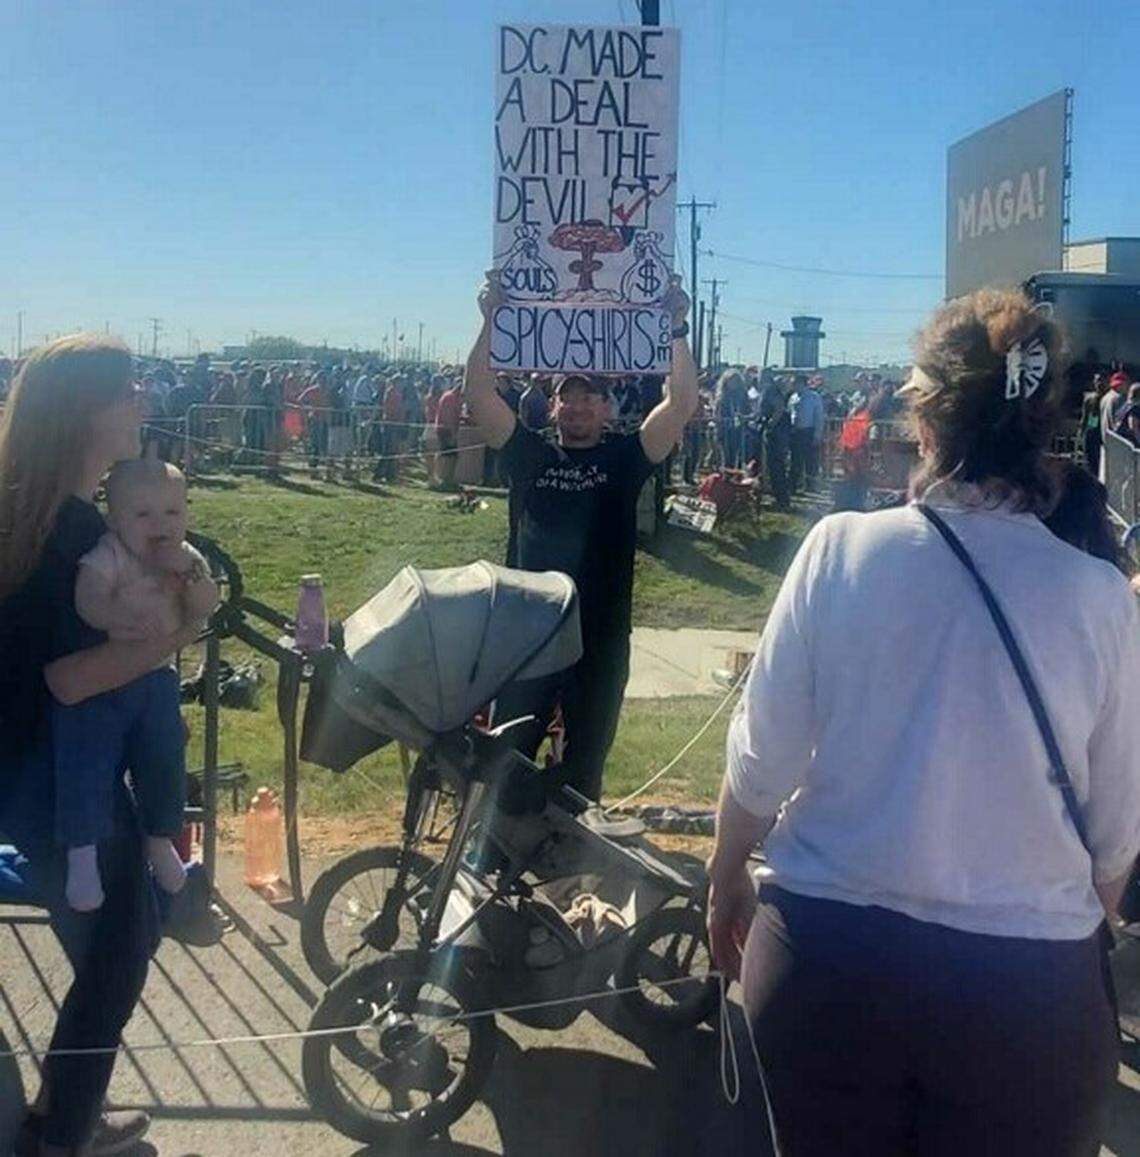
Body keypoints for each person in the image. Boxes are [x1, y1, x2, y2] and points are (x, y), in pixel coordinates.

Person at [706, 288, 1140, 1156]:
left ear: (926, 421)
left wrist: (725, 871)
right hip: (1024, 997)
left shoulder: (839, 550)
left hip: (829, 963)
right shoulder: (1100, 598)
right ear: (1046, 420)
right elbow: (1115, 841)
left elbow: (761, 766)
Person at [0, 336, 209, 1156]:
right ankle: (61, 1133)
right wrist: (185, 629)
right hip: (50, 770)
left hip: (30, 765)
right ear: (86, 409)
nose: (143, 400)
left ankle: (67, 1106)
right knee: (123, 943)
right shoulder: (69, 526)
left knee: (111, 933)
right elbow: (69, 680)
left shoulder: (29, 505)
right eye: (129, 388)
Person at [465, 273, 698, 800]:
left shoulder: (624, 458)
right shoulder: (529, 454)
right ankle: (500, 858)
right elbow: (477, 394)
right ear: (552, 407)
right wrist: (490, 321)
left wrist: (677, 327)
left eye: (589, 398)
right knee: (509, 762)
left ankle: (572, 862)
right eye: (567, 398)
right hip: (529, 638)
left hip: (601, 638)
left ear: (607, 407)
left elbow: (680, 401)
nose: (578, 407)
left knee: (585, 767)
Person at [53, 459, 216, 911]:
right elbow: (89, 597)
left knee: (164, 756)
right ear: (115, 519)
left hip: (157, 678)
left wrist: (193, 576)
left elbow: (207, 605)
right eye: (143, 515)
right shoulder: (110, 553)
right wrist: (117, 617)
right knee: (87, 760)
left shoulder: (187, 558)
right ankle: (81, 852)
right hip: (105, 681)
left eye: (172, 514)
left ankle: (160, 837)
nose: (160, 527)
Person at [788, 373, 824, 492]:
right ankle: (794, 484)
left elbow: (818, 417)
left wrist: (817, 435)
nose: (792, 385)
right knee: (795, 460)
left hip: (808, 431)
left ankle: (811, 486)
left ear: (801, 383)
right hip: (795, 432)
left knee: (810, 460)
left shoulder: (814, 397)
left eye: (794, 383)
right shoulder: (793, 397)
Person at [434, 376, 463, 489]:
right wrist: (453, 434)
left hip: (448, 429)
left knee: (453, 456)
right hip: (446, 430)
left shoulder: (452, 397)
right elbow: (449, 417)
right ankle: (445, 480)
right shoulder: (450, 398)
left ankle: (449, 479)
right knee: (448, 456)